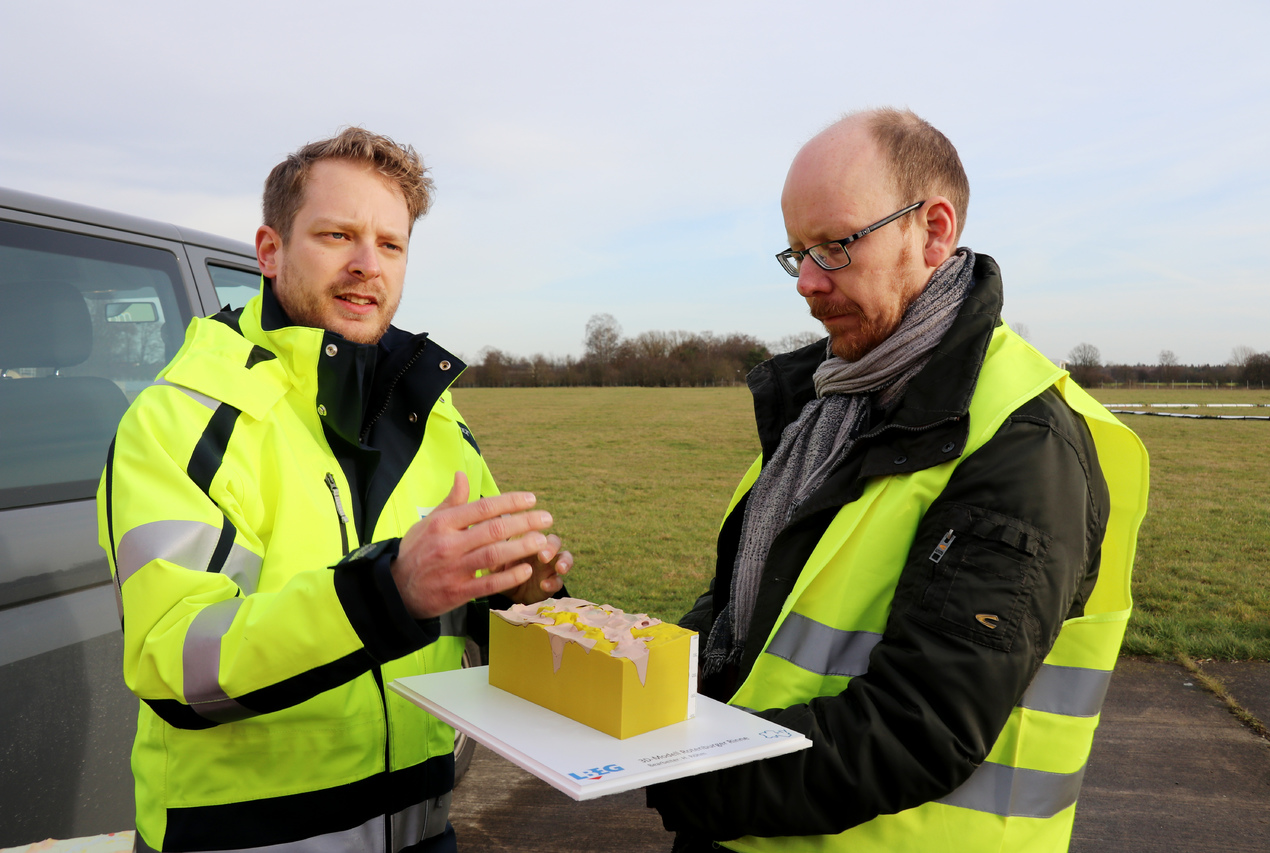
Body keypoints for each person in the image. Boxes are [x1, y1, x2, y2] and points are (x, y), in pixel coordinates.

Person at [645, 109, 1149, 852]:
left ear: (934, 231)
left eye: (836, 246)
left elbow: (920, 727)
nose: (808, 283)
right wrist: (632, 669)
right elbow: (749, 617)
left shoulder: (1019, 441)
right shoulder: (826, 408)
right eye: (797, 254)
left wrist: (677, 772)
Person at [97, 128, 572, 853]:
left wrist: (522, 597)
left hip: (422, 833)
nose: (365, 265)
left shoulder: (436, 419)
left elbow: (475, 621)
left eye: (391, 244)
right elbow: (174, 663)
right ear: (270, 250)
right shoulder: (180, 418)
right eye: (337, 234)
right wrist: (391, 590)